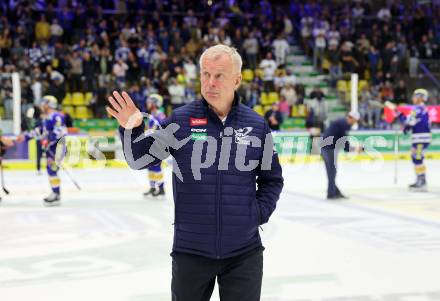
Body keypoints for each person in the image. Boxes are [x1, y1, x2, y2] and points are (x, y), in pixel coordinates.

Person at [107, 44, 283, 301]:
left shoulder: (256, 125)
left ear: (237, 79)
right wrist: (131, 129)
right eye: (205, 74)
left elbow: (272, 179)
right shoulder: (182, 120)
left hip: (244, 253)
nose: (210, 82)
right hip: (190, 252)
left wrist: (256, 214)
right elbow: (139, 159)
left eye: (219, 75)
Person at [23, 95, 67, 205]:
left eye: (44, 103)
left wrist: (49, 139)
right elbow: (41, 131)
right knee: (50, 170)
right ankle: (55, 193)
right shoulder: (46, 118)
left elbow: (61, 131)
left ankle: (56, 195)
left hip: (57, 148)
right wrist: (26, 137)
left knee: (52, 170)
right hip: (51, 148)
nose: (42, 105)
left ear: (49, 104)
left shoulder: (56, 116)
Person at [320, 111, 362, 200]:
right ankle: (331, 194)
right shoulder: (344, 124)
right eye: (355, 120)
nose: (355, 122)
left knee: (332, 172)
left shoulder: (342, 122)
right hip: (328, 149)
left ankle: (334, 192)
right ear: (352, 118)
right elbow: (344, 142)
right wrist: (354, 149)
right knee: (332, 172)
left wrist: (352, 148)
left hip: (326, 148)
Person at [398, 89, 431, 191]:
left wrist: (400, 115)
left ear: (420, 97)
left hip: (420, 139)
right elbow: (414, 122)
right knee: (415, 158)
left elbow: (410, 121)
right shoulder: (422, 109)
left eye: (415, 96)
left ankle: (422, 182)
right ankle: (420, 180)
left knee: (417, 158)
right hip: (420, 138)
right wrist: (406, 127)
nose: (413, 98)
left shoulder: (417, 109)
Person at [143, 93, 167, 198]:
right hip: (151, 145)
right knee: (150, 166)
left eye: (149, 102)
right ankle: (153, 187)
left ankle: (161, 188)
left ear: (154, 103)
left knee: (156, 167)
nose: (147, 103)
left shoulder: (159, 115)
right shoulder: (153, 114)